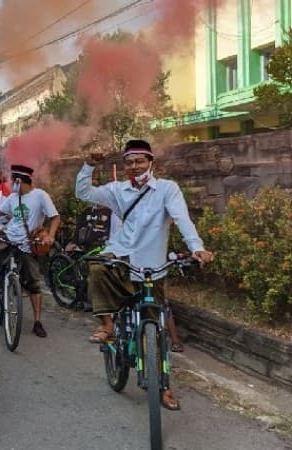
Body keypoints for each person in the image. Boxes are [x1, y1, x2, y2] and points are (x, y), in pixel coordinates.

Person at [75, 139, 215, 411]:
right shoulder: (117, 190)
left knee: (157, 329)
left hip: (152, 267)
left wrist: (197, 248)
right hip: (122, 258)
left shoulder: (167, 189)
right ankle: (107, 326)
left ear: (151, 162)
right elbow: (83, 193)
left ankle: (164, 387)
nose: (135, 166)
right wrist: (89, 165)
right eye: (129, 161)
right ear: (124, 165)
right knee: (97, 268)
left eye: (140, 161)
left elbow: (182, 219)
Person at [0, 165, 60, 338]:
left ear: (19, 180)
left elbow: (55, 217)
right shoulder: (12, 198)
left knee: (33, 282)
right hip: (8, 239)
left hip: (27, 244)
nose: (11, 185)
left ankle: (37, 322)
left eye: (13, 181)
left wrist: (50, 235)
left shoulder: (40, 196)